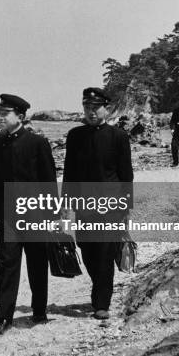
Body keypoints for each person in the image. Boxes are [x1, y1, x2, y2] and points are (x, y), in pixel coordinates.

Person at [0, 94, 57, 335]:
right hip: (8, 217)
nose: (0, 117)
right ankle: (4, 317)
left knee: (37, 263)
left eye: (5, 114)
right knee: (7, 265)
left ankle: (39, 311)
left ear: (21, 117)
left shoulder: (38, 144)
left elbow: (48, 183)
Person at [62, 88, 133, 320]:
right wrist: (66, 205)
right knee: (88, 249)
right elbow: (69, 173)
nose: (91, 112)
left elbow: (126, 174)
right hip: (83, 204)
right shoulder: (75, 136)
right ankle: (99, 287)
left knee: (104, 251)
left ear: (107, 109)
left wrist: (126, 207)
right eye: (87, 108)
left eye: (95, 108)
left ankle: (101, 302)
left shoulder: (119, 137)